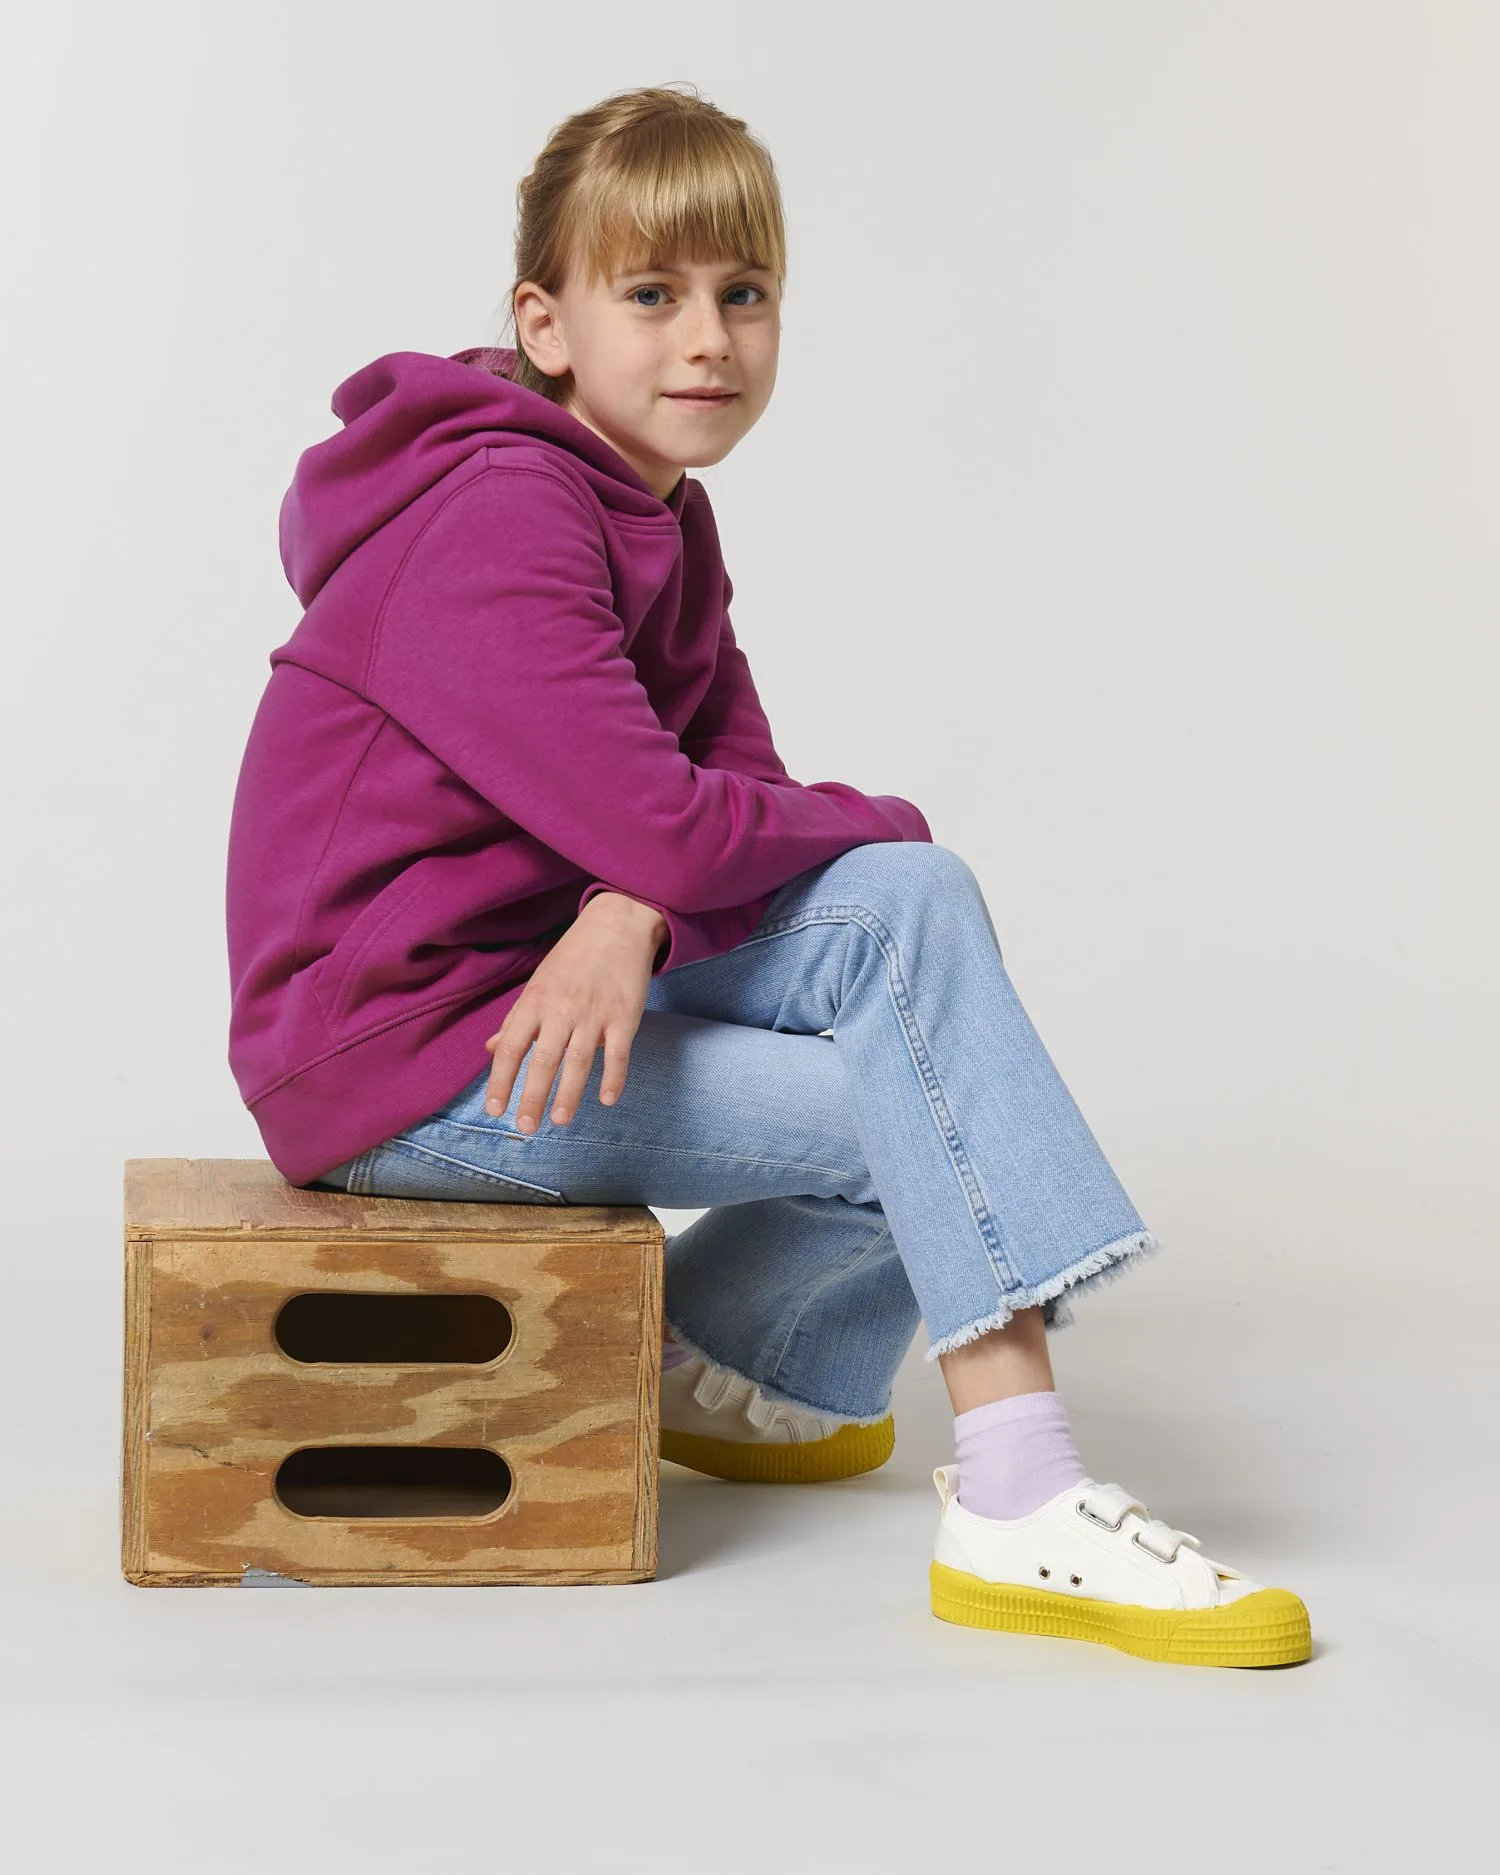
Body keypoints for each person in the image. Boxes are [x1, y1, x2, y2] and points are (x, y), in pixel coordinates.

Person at [226, 83, 1310, 1668]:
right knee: (936, 1084)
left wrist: (628, 904)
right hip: (403, 1060)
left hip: (537, 983)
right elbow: (694, 822)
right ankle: (1018, 1489)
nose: (708, 340)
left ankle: (727, 1367)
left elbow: (723, 806)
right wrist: (774, 835)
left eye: (744, 293)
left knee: (909, 926)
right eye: (650, 294)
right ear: (545, 324)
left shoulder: (666, 516)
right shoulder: (499, 510)